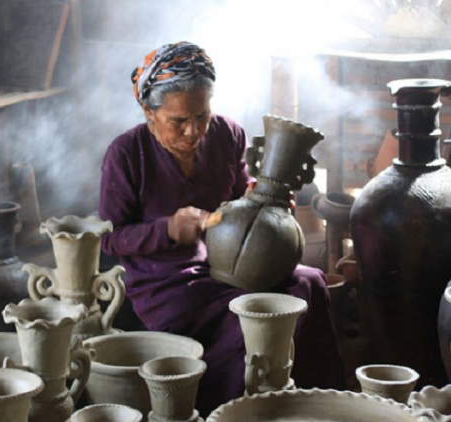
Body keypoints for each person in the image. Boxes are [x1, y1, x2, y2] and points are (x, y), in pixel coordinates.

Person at [98, 41, 345, 414]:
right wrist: (167, 228)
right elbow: (110, 238)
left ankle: (317, 402)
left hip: (228, 266)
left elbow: (239, 199)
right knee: (249, 318)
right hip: (166, 284)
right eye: (178, 121)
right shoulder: (127, 153)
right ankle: (237, 409)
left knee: (309, 282)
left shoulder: (228, 134)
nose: (193, 130)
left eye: (202, 115)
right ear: (149, 113)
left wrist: (265, 206)